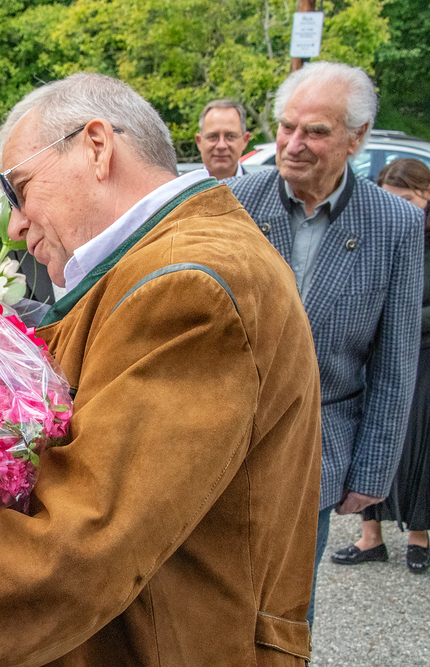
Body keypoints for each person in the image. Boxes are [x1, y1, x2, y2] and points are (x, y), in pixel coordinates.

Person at [0, 72, 323, 666]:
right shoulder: (158, 266)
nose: (15, 225)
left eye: (20, 189)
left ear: (97, 147)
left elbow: (77, 546)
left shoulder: (189, 284)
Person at [228, 62, 424, 622]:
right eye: (287, 127)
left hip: (315, 448)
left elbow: (394, 363)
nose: (293, 145)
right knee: (208, 606)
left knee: (287, 611)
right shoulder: (233, 202)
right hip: (221, 439)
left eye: (315, 132)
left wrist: (372, 473)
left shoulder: (395, 224)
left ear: (356, 139)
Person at [330, 158, 430, 575]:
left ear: (427, 195)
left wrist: (397, 316)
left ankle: (419, 536)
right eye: (392, 200)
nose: (400, 209)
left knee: (415, 447)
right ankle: (370, 537)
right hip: (371, 353)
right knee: (366, 443)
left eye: (407, 199)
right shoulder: (375, 233)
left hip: (422, 355)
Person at [195, 99, 252, 179]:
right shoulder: (183, 186)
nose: (221, 146)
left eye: (231, 136)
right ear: (199, 141)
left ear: (245, 140)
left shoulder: (260, 187)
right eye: (212, 137)